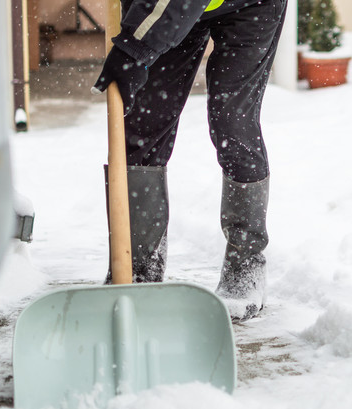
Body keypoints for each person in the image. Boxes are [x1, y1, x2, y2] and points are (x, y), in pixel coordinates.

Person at [92, 0, 287, 322]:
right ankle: (137, 266)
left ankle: (245, 264)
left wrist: (132, 50)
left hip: (251, 5)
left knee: (233, 122)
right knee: (144, 124)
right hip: (167, 8)